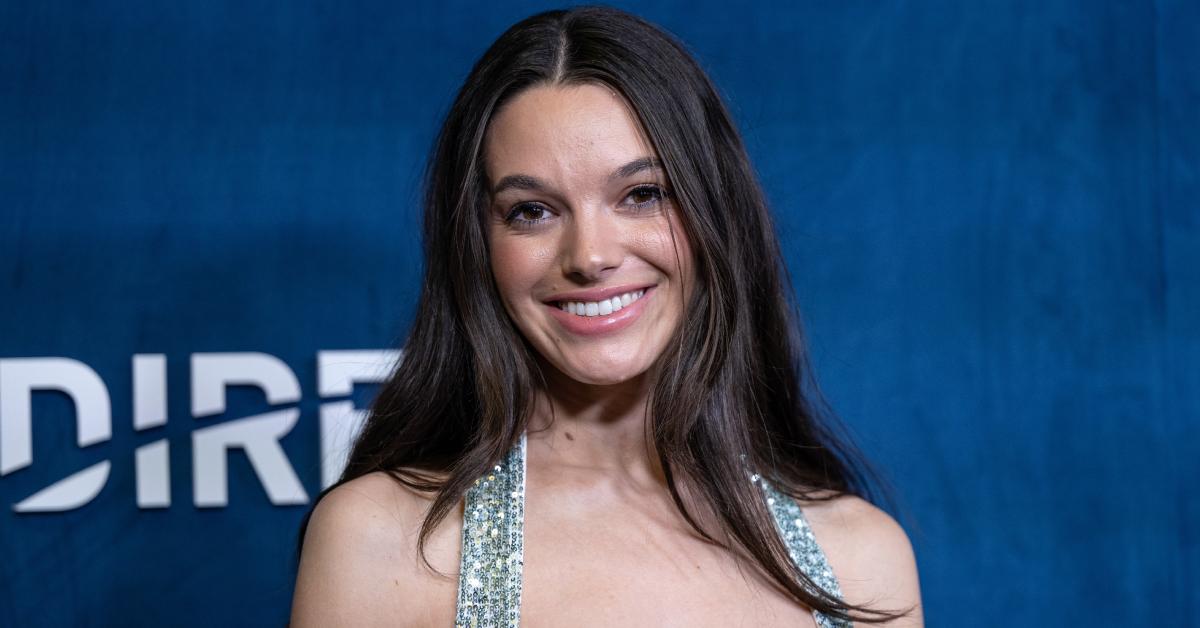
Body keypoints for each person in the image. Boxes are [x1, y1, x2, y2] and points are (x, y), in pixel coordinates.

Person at [290, 6, 922, 627]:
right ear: (477, 244)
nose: (590, 256)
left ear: (713, 217)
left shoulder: (859, 558)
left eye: (642, 195)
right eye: (532, 211)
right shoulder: (380, 544)